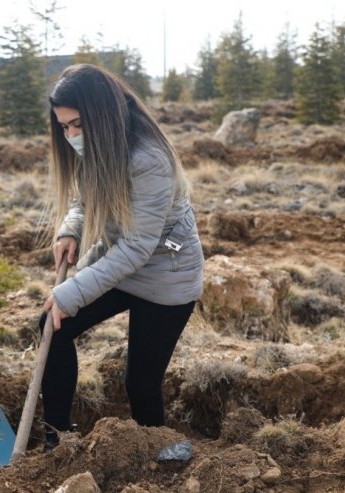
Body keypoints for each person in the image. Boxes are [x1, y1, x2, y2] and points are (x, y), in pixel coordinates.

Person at [39, 64, 204, 451]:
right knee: (53, 325)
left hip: (167, 273)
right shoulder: (100, 144)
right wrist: (70, 228)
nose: (71, 136)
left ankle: (162, 458)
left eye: (78, 124)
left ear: (102, 115)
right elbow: (83, 197)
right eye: (64, 127)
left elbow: (138, 247)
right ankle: (58, 440)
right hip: (125, 263)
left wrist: (73, 291)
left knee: (141, 383)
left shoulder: (148, 159)